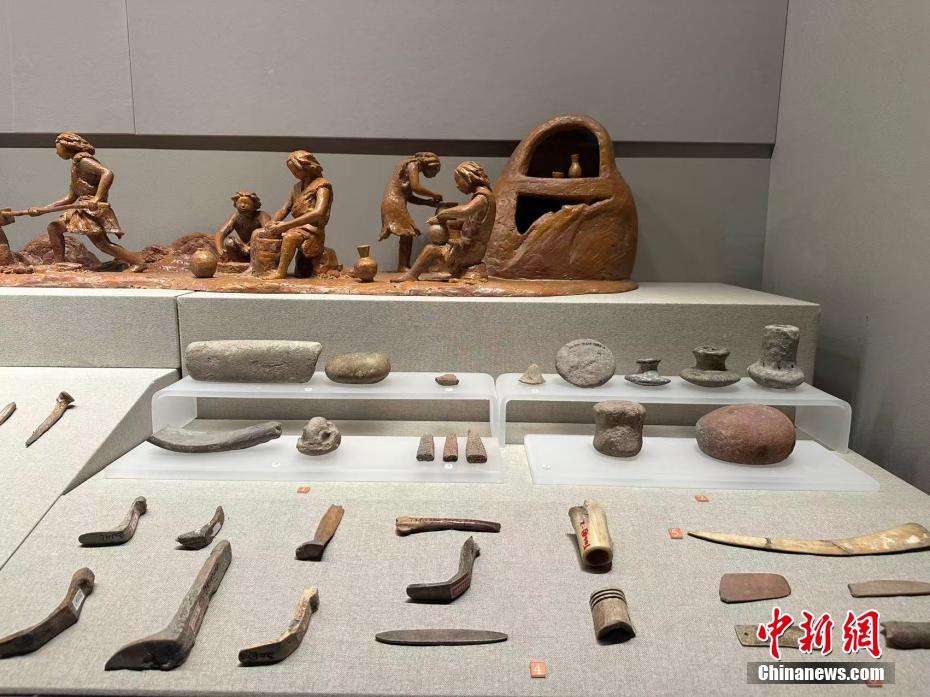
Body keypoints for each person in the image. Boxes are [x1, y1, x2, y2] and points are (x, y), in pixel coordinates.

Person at [28, 132, 144, 269]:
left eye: (58, 148)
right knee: (54, 227)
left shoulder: (83, 161)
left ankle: (139, 262)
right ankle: (59, 264)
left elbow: (107, 173)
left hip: (89, 209)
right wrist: (43, 209)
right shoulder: (76, 164)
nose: (56, 152)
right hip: (82, 207)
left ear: (67, 147)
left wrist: (97, 198)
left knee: (103, 244)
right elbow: (71, 197)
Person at [394, 161, 495, 282]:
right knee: (441, 248)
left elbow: (464, 210)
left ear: (468, 177)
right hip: (472, 249)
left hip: (471, 252)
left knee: (430, 250)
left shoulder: (483, 197)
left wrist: (442, 215)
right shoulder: (483, 196)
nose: (457, 185)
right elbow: (468, 221)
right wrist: (448, 222)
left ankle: (411, 275)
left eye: (458, 181)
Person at [254, 151, 333, 279]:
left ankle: (280, 272)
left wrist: (285, 226)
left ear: (306, 168)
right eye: (292, 171)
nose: (294, 174)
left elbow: (318, 213)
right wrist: (273, 222)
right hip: (296, 227)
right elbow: (284, 209)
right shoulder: (297, 187)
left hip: (313, 231)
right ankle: (255, 268)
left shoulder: (322, 186)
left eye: (296, 170)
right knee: (258, 232)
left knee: (290, 236)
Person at [378, 152, 444, 272]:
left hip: (393, 202)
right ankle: (403, 266)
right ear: (430, 165)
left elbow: (409, 196)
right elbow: (416, 187)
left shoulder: (408, 166)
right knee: (407, 233)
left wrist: (427, 202)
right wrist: (434, 194)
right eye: (434, 171)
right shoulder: (413, 165)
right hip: (394, 202)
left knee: (407, 234)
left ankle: (403, 265)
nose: (433, 175)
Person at [213, 190, 269, 262]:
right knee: (229, 242)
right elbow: (220, 233)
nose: (242, 205)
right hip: (242, 249)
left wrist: (252, 244)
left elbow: (268, 233)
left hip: (258, 249)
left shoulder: (262, 215)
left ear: (254, 205)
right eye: (240, 203)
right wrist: (220, 251)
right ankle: (239, 263)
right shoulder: (236, 216)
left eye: (247, 203)